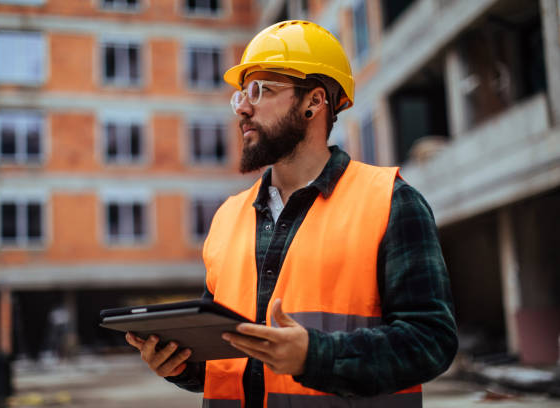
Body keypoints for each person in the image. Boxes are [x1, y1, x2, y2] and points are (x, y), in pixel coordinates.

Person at [126, 20, 458, 408]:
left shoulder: (391, 202)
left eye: (261, 90)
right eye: (240, 95)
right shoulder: (229, 218)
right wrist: (180, 364)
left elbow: (431, 342)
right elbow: (227, 362)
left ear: (313, 102)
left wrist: (315, 357)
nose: (244, 108)